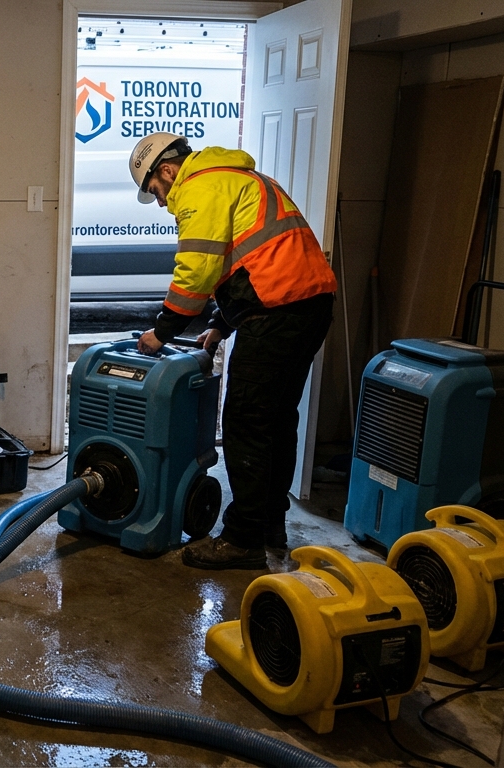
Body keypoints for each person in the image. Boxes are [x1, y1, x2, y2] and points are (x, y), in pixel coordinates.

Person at [128, 132, 337, 570]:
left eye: (157, 191)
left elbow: (195, 272)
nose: (162, 203)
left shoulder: (199, 188)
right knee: (276, 420)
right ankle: (270, 523)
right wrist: (221, 326)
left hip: (276, 315)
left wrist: (161, 333)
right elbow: (249, 259)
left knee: (245, 421)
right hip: (309, 308)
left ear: (167, 170)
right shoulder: (239, 178)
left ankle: (243, 540)